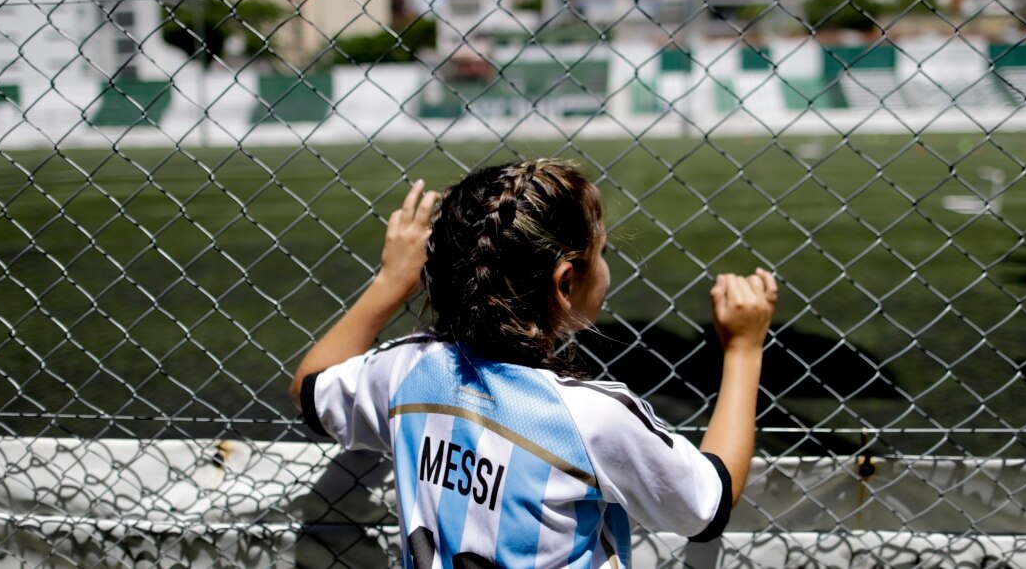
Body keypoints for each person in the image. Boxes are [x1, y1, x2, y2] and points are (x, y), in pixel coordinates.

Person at [290, 159, 777, 568]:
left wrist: (392, 281)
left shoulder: (407, 371)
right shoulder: (591, 419)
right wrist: (743, 350)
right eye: (601, 253)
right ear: (565, 283)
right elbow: (709, 503)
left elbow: (310, 388)